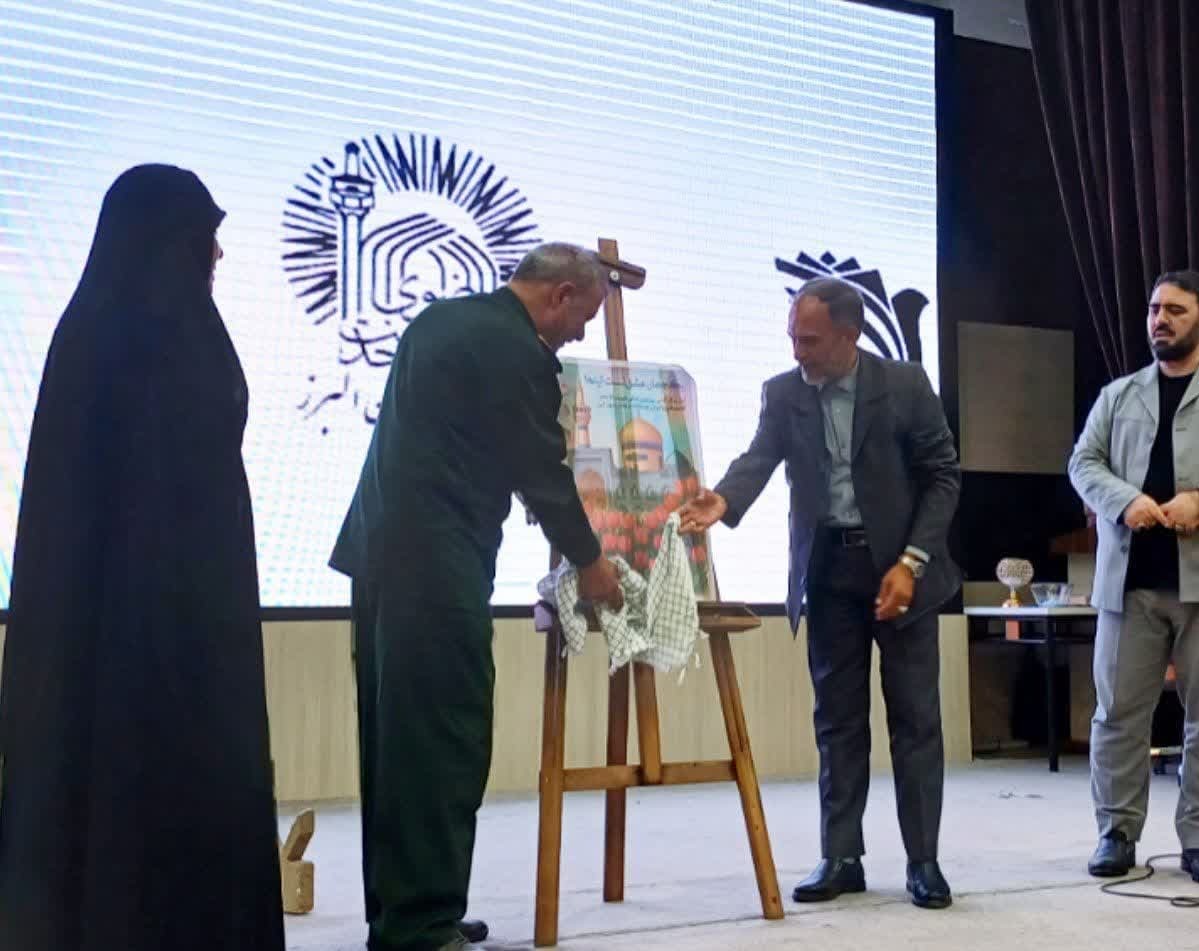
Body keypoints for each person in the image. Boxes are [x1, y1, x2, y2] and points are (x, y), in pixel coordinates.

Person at [0, 165, 284, 950]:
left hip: (94, 639)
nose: (217, 254)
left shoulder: (89, 330)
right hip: (177, 642)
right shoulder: (171, 340)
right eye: (204, 236)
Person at [330, 242, 624, 951]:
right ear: (558, 295)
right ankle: (422, 924)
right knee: (445, 737)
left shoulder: (440, 320)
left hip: (381, 554)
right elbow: (540, 469)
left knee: (396, 742)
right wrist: (591, 561)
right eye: (581, 319)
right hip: (436, 565)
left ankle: (402, 912)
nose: (578, 336)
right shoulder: (514, 349)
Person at [678, 278, 961, 910]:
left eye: (809, 340)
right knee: (836, 719)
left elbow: (943, 477)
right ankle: (841, 856)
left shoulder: (904, 385)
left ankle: (923, 861)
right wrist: (725, 499)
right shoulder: (784, 392)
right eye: (792, 338)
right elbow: (760, 457)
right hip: (829, 570)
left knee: (915, 718)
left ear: (848, 335)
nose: (797, 351)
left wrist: (912, 562)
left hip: (902, 570)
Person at [1068, 270, 1199, 885]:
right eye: (1154, 309)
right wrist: (1123, 500)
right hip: (1129, 584)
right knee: (1116, 715)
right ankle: (1116, 832)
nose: (1160, 320)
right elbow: (1083, 462)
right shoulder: (1119, 394)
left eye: (1175, 310)